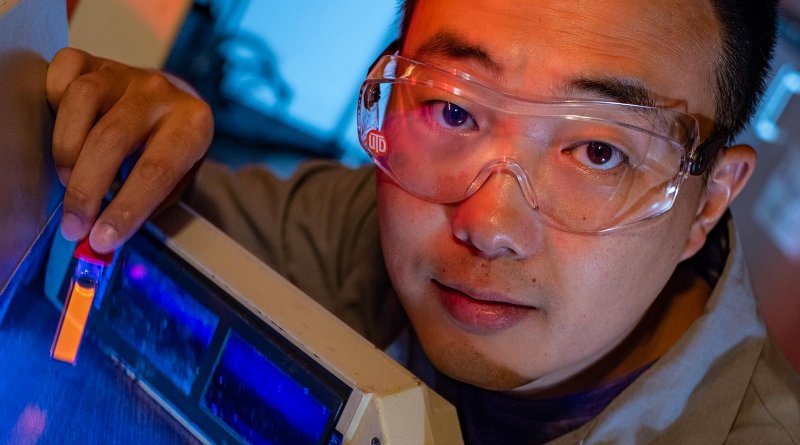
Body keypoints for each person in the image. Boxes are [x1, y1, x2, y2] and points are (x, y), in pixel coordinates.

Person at [45, 0, 800, 443]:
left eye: (598, 150)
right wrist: (118, 136)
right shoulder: (352, 229)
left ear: (706, 202)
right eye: (452, 108)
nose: (488, 224)